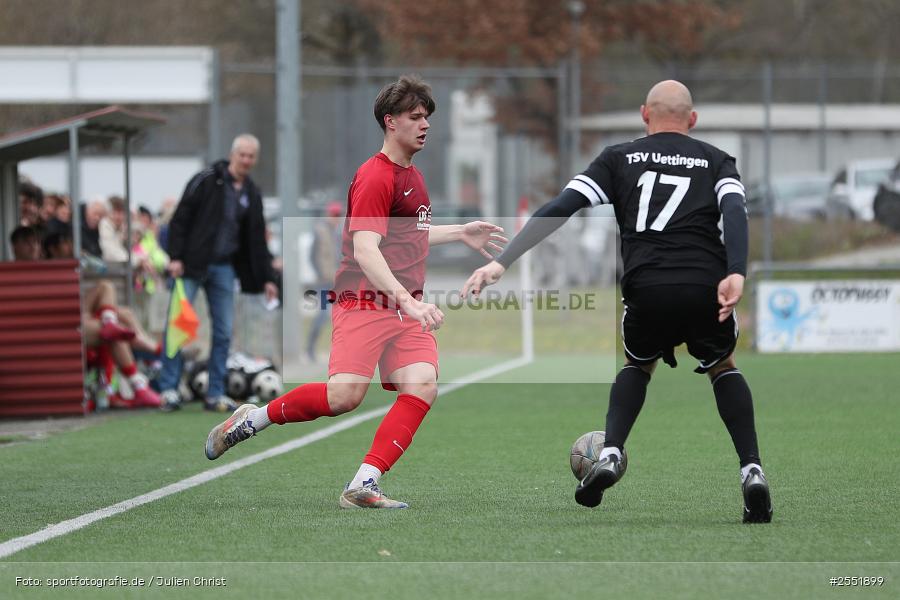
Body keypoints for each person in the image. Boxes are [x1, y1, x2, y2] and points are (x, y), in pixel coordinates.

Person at [463, 80, 772, 523]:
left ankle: (610, 453)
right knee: (723, 366)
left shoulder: (618, 158)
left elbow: (562, 206)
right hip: (705, 283)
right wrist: (737, 271)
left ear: (644, 114)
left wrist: (504, 262)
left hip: (646, 287)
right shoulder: (715, 159)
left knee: (636, 364)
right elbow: (735, 214)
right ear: (693, 119)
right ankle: (751, 469)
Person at [204, 75, 506, 509]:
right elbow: (366, 250)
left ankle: (363, 483)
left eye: (427, 118)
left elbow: (410, 237)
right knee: (343, 397)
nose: (425, 125)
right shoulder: (373, 176)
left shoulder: (413, 177)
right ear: (390, 122)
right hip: (365, 301)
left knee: (422, 384)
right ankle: (253, 418)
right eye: (415, 117)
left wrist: (461, 232)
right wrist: (409, 301)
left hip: (404, 307)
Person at [158, 134, 279, 412]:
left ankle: (214, 393)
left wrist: (267, 279)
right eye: (242, 154)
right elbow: (181, 218)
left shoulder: (252, 193)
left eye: (251, 156)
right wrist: (176, 257)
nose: (246, 160)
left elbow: (257, 242)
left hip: (224, 268)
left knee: (224, 331)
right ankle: (168, 390)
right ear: (233, 154)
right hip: (191, 264)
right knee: (177, 325)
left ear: (255, 160)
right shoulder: (207, 179)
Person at [42, 230, 162, 408]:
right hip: (62, 324)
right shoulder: (44, 269)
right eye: (65, 242)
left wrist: (84, 258)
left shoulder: (71, 264)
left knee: (118, 310)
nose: (71, 246)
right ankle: (148, 361)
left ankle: (141, 354)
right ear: (52, 249)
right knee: (113, 323)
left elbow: (101, 268)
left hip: (79, 317)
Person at [305, 201, 344, 362]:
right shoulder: (320, 230)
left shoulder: (338, 233)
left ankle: (338, 350)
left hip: (337, 281)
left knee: (341, 316)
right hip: (323, 281)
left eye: (338, 215)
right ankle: (310, 349)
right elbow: (312, 256)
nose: (336, 218)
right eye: (334, 215)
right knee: (322, 315)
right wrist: (321, 273)